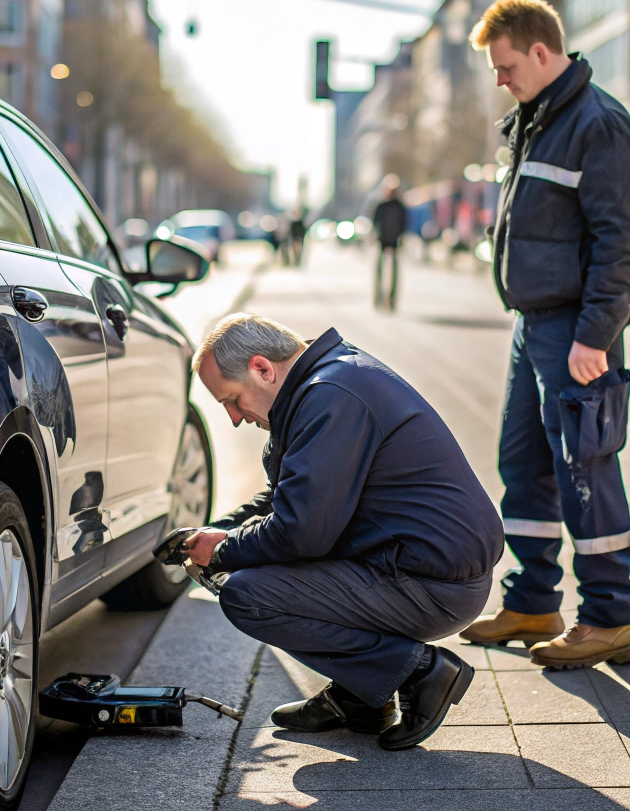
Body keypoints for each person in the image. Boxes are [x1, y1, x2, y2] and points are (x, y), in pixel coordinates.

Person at [185, 313, 503, 750]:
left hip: (432, 586)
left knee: (247, 594)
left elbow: (301, 533)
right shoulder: (328, 380)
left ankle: (421, 672)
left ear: (262, 368)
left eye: (232, 399)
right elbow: (294, 495)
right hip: (416, 567)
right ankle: (360, 698)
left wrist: (222, 552)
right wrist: (222, 529)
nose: (235, 417)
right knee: (268, 566)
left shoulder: (329, 398)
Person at [459, 0, 630, 668]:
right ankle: (533, 599)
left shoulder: (599, 125)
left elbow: (620, 244)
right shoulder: (536, 121)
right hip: (533, 324)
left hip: (575, 329)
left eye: (506, 66)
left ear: (541, 51)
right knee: (525, 466)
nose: (499, 80)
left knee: (584, 470)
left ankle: (609, 618)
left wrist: (595, 336)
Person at [372, 179, 406, 310]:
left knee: (394, 272)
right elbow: (375, 222)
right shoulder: (381, 205)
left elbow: (403, 224)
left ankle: (391, 300)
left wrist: (402, 238)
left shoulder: (400, 206)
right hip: (382, 240)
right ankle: (378, 298)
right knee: (379, 270)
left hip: (395, 240)